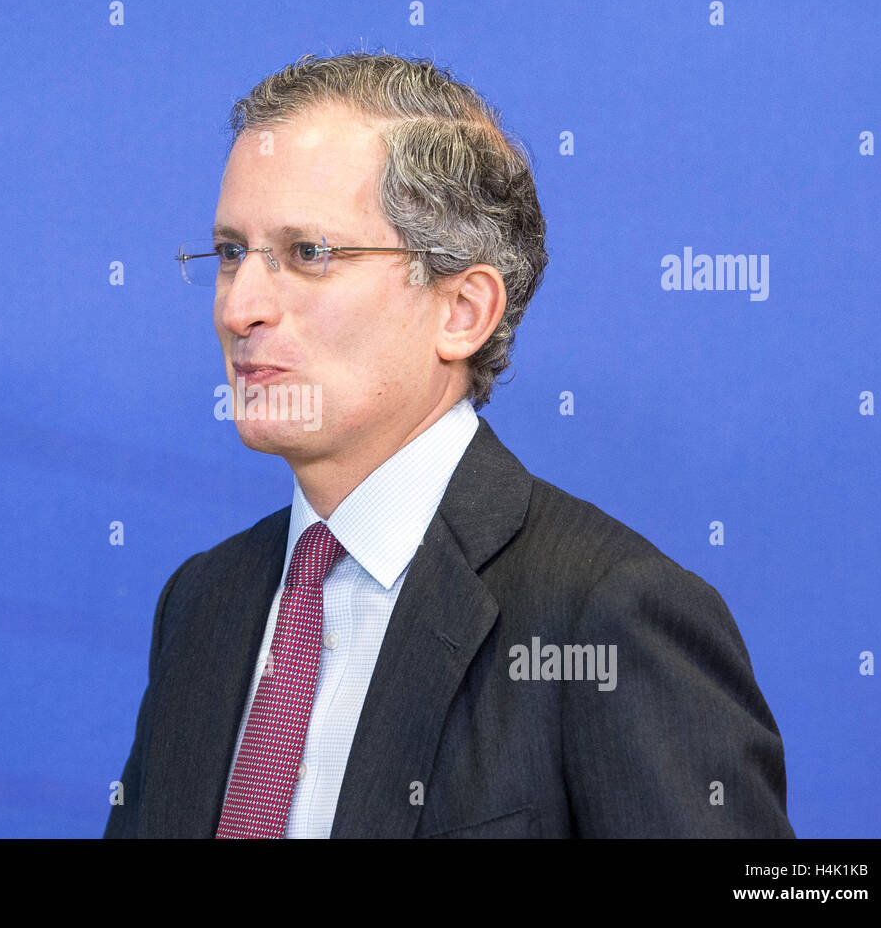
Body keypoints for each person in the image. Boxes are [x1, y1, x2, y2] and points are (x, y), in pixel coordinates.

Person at [103, 51, 794, 838]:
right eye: (231, 254)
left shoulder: (605, 615)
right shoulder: (203, 601)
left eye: (308, 254)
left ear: (463, 309)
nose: (242, 307)